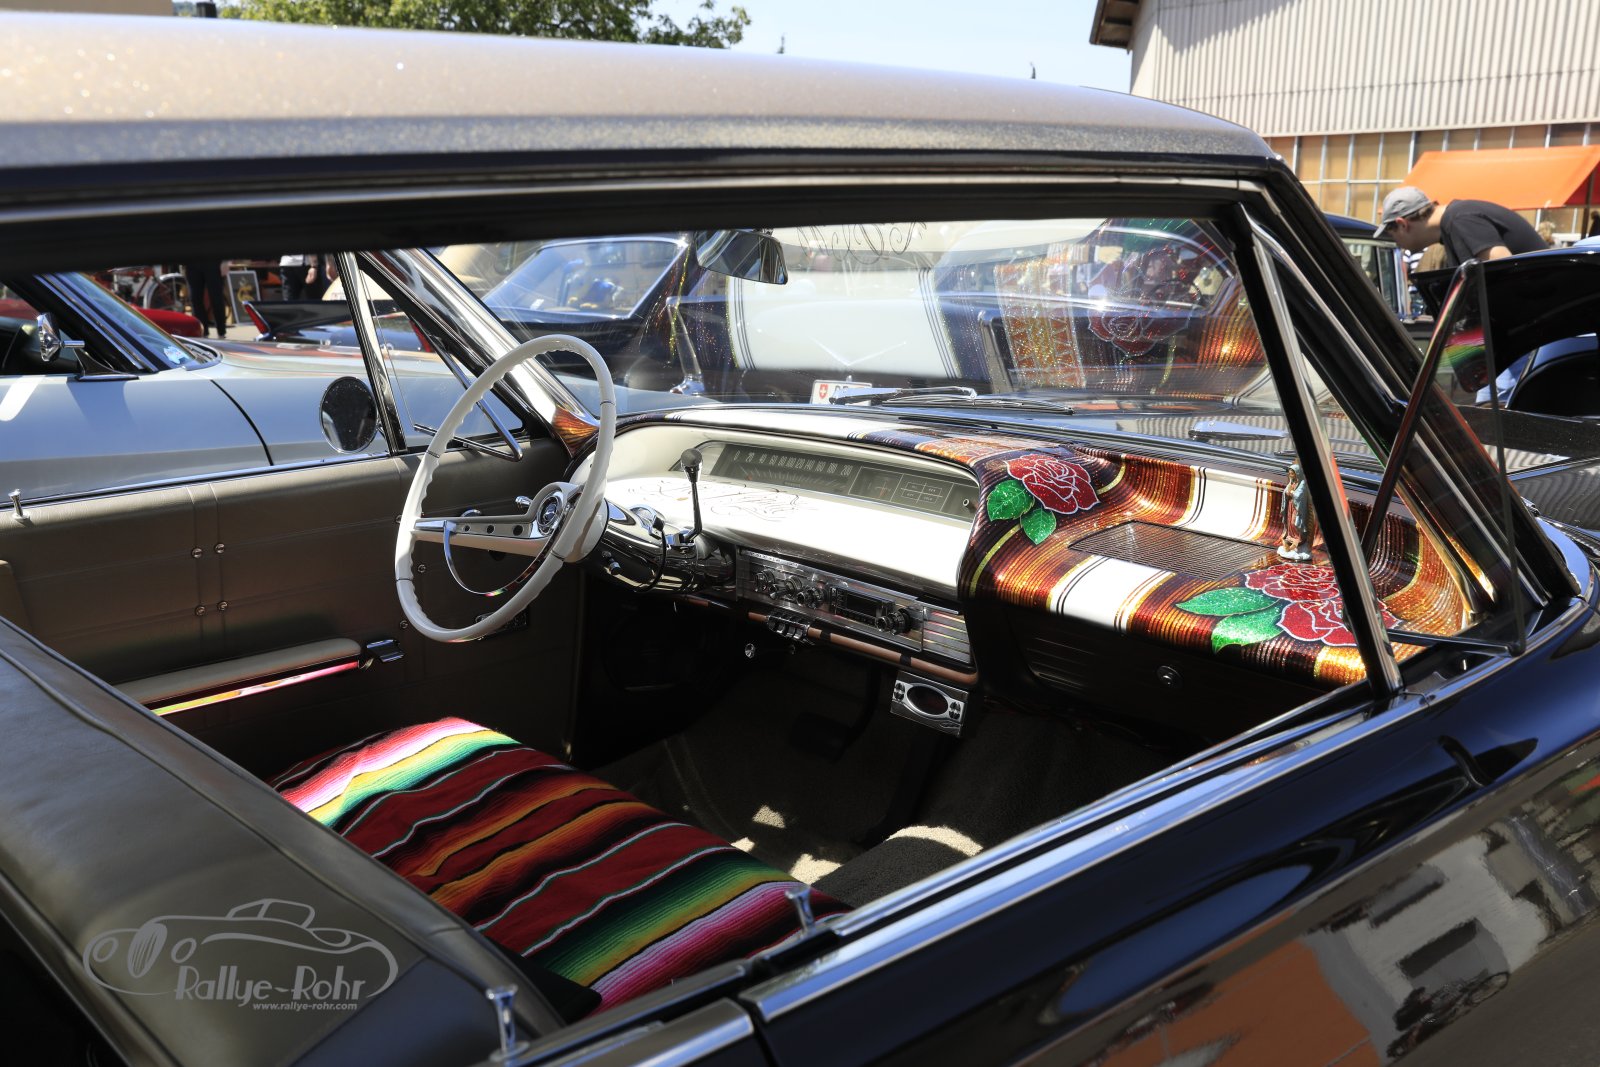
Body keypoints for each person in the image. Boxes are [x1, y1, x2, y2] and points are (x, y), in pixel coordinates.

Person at [1375, 186, 1546, 268]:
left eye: (1391, 234)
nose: (1395, 242)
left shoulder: (1460, 219)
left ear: (1402, 224)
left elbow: (1504, 267)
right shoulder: (1453, 222)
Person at [183, 260, 228, 338]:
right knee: (195, 299)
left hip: (213, 261)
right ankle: (202, 331)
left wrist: (225, 262)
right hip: (192, 263)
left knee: (216, 297)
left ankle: (221, 331)